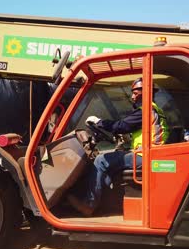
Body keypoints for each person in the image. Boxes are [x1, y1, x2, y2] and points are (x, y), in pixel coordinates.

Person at [68, 77, 169, 216]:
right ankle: (103, 203)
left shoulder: (145, 111)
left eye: (136, 93)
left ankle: (89, 204)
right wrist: (123, 137)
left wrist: (99, 122)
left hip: (145, 156)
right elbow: (138, 131)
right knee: (109, 162)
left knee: (100, 160)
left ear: (146, 92)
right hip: (149, 154)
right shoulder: (154, 110)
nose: (132, 96)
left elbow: (121, 126)